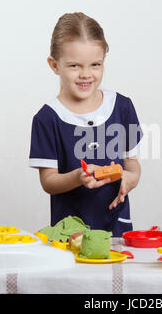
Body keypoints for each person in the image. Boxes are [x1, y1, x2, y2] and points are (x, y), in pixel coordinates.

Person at [29, 12, 143, 237]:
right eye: (74, 66)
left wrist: (131, 178)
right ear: (54, 65)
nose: (86, 74)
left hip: (116, 228)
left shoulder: (122, 107)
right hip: (71, 233)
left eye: (95, 64)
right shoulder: (47, 118)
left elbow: (132, 163)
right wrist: (77, 177)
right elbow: (48, 181)